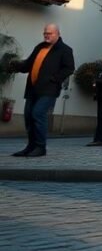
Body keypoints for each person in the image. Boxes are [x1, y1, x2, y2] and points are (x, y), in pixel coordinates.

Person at [7, 24, 75, 158]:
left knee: (37, 113)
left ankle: (40, 147)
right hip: (33, 88)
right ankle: (30, 147)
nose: (46, 35)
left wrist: (54, 79)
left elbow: (69, 68)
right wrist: (15, 66)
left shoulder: (64, 49)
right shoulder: (40, 47)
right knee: (28, 116)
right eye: (45, 33)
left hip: (49, 89)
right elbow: (29, 64)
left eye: (49, 33)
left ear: (57, 34)